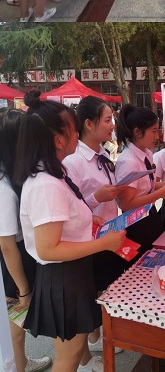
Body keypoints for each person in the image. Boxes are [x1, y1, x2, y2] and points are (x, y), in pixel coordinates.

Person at [15, 91, 126, 372]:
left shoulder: (56, 174)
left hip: (72, 275)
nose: (78, 134)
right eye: (74, 130)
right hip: (63, 278)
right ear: (57, 140)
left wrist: (90, 223)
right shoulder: (46, 184)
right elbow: (48, 248)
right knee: (67, 358)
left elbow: (65, 222)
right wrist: (104, 244)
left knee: (75, 352)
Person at [63, 96, 130, 355]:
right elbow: (70, 208)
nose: (112, 124)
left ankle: (97, 337)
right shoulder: (74, 161)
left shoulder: (103, 154)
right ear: (89, 124)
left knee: (104, 286)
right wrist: (97, 197)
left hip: (109, 232)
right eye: (107, 120)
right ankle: (89, 348)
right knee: (91, 290)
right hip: (88, 239)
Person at [0, 107, 53, 372]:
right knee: (16, 328)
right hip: (13, 267)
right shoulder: (5, 189)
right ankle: (17, 366)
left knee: (18, 326)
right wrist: (24, 290)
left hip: (18, 259)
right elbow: (8, 246)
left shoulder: (13, 175)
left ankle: (21, 362)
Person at [114, 105, 165, 256]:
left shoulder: (147, 153)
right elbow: (127, 204)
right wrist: (161, 192)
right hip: (136, 223)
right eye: (154, 131)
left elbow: (142, 186)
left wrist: (160, 185)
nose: (157, 137)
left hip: (150, 215)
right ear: (137, 132)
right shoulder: (128, 161)